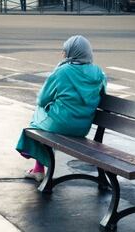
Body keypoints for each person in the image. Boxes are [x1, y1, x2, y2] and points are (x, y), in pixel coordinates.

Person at [16, 35, 107, 182]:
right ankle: (37, 168)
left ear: (72, 52)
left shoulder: (63, 71)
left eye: (64, 51)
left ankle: (39, 168)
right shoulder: (99, 73)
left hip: (61, 125)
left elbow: (42, 99)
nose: (63, 54)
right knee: (43, 120)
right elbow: (102, 95)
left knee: (39, 113)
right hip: (82, 128)